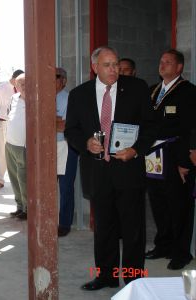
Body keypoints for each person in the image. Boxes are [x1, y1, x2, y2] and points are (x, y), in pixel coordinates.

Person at [65, 46, 156, 290]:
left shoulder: (137, 88)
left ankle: (134, 279)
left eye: (116, 64)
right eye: (107, 65)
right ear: (95, 67)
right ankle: (106, 276)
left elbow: (151, 126)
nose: (114, 69)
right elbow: (70, 130)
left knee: (133, 229)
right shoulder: (79, 94)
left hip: (128, 168)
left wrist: (136, 149)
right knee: (104, 228)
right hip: (98, 171)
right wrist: (85, 143)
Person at [145, 49, 196, 270]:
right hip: (153, 155)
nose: (162, 64)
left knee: (179, 204)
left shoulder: (189, 92)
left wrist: (186, 161)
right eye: (161, 61)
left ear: (179, 68)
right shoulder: (152, 91)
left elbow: (192, 128)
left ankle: (181, 252)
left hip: (176, 155)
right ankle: (163, 244)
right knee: (158, 202)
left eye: (168, 62)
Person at [55, 67, 78, 237]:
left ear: (63, 80)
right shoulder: (45, 97)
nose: (50, 80)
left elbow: (65, 126)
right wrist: (54, 120)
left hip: (66, 146)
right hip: (48, 147)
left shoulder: (69, 98)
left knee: (65, 187)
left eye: (55, 77)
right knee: (46, 186)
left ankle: (64, 223)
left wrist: (49, 120)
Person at [0, 69, 24, 191]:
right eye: (18, 82)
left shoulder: (23, 87)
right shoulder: (1, 88)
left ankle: (19, 180)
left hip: (19, 124)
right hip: (4, 123)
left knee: (19, 151)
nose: (19, 85)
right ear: (13, 79)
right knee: (1, 152)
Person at [5, 73, 27, 220]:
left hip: (23, 146)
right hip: (10, 144)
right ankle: (19, 206)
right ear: (16, 86)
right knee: (13, 178)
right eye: (21, 84)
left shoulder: (34, 99)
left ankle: (27, 208)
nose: (24, 87)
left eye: (26, 83)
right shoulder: (13, 98)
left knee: (23, 179)